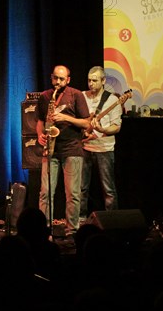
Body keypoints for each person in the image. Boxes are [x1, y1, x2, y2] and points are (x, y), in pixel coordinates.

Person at [36, 65, 90, 236]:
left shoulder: (76, 95)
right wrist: (40, 135)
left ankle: (72, 231)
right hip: (51, 149)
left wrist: (65, 117)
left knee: (73, 194)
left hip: (72, 149)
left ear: (68, 79)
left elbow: (87, 123)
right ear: (51, 77)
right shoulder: (45, 96)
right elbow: (39, 120)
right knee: (45, 192)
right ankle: (43, 230)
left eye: (61, 79)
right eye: (55, 78)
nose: (57, 82)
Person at [80, 66, 121, 221]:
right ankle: (80, 220)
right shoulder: (82, 96)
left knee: (108, 189)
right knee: (81, 188)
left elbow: (116, 127)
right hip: (84, 147)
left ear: (103, 81)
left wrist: (102, 128)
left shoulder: (112, 100)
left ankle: (112, 221)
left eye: (95, 80)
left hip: (104, 149)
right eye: (89, 80)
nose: (91, 83)